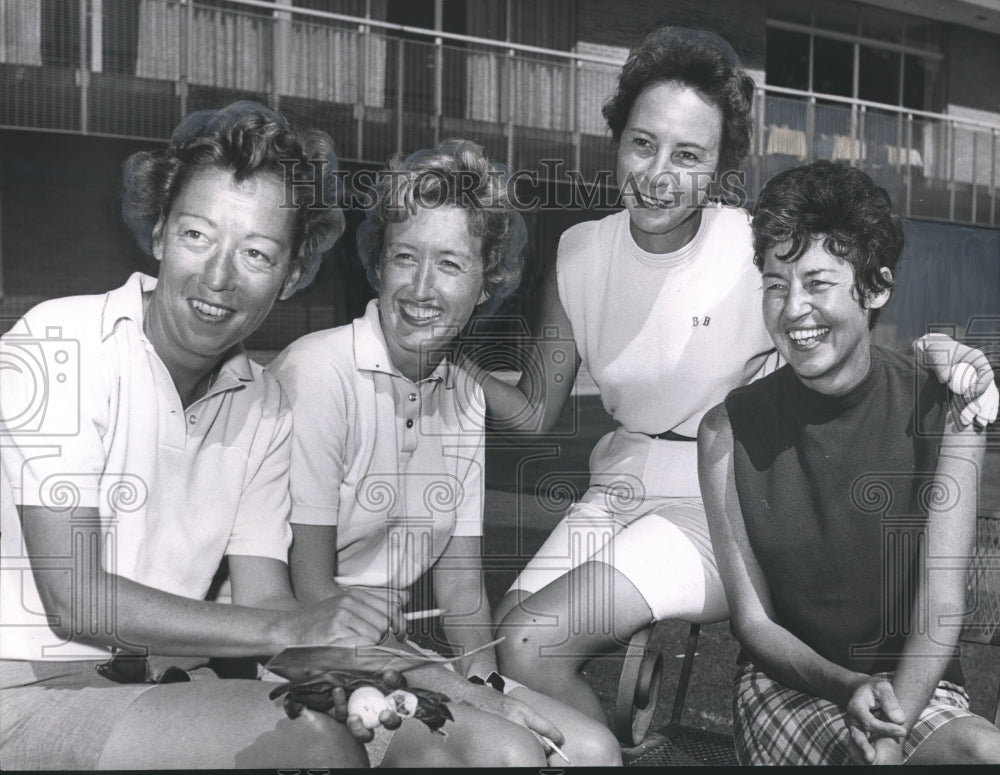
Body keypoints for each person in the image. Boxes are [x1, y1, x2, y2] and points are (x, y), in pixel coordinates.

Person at [468, 26, 998, 723]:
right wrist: (446, 359)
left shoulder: (751, 252)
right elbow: (536, 408)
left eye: (688, 155)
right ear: (616, 137)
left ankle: (609, 729)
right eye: (642, 142)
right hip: (615, 486)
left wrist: (936, 353)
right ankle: (612, 733)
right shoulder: (578, 250)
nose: (658, 173)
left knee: (534, 643)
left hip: (716, 504)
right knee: (504, 646)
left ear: (719, 167)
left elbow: (835, 313)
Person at [0, 101, 390, 769]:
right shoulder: (58, 341)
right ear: (158, 232)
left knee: (400, 737)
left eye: (257, 253)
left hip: (151, 690)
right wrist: (285, 626)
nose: (218, 276)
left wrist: (364, 652)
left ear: (292, 276)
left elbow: (267, 597)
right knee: (312, 749)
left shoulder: (265, 405)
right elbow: (77, 600)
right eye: (196, 235)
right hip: (19, 695)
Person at [268, 138, 623, 767]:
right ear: (378, 266)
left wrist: (484, 684)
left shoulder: (464, 392)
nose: (422, 288)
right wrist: (464, 696)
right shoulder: (319, 370)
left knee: (594, 752)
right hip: (312, 659)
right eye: (405, 257)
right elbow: (315, 593)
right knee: (509, 755)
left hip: (407, 661)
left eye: (451, 265)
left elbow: (461, 585)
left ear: (489, 283)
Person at [697, 160, 1000, 765]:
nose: (792, 310)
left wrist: (893, 725)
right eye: (776, 285)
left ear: (876, 288)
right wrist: (849, 689)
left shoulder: (948, 407)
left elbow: (942, 605)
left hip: (919, 681)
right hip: (789, 687)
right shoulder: (726, 431)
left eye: (818, 282)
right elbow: (756, 626)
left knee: (985, 753)